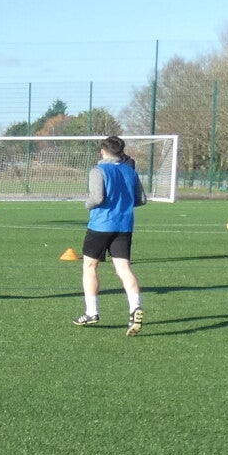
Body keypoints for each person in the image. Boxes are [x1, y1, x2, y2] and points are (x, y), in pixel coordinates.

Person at [76, 135, 147, 335]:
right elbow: (141, 199)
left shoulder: (98, 170)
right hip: (124, 226)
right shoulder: (130, 171)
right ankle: (135, 307)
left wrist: (87, 204)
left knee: (90, 266)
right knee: (123, 268)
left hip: (101, 225)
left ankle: (91, 312)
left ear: (102, 151)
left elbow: (97, 198)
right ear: (121, 152)